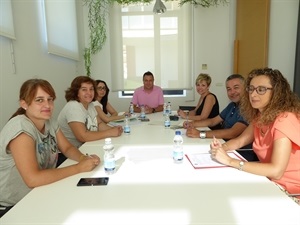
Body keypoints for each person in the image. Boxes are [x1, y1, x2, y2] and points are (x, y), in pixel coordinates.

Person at [0, 79, 100, 217]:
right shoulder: (21, 128)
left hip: (40, 192)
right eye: (39, 100)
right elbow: (32, 179)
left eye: (50, 99)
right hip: (14, 206)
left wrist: (83, 158)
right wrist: (79, 167)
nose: (47, 105)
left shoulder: (49, 121)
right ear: (24, 104)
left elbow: (67, 148)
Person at [210, 68, 300, 202]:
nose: (253, 94)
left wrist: (229, 161)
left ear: (276, 92)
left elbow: (276, 171)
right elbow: (239, 141)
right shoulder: (261, 116)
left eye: (261, 89)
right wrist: (221, 148)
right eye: (251, 89)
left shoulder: (284, 119)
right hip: (268, 181)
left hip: (289, 191)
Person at [184, 74, 258, 161]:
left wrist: (200, 134)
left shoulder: (248, 109)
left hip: (239, 154)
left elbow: (232, 133)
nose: (232, 92)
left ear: (245, 88)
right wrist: (192, 124)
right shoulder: (232, 105)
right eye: (229, 89)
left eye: (236, 87)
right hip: (223, 146)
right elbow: (213, 121)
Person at [58, 76, 123, 149]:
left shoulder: (90, 104)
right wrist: (110, 132)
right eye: (84, 89)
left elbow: (99, 124)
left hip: (86, 146)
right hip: (70, 153)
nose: (89, 93)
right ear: (76, 92)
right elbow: (83, 136)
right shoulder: (73, 107)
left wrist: (113, 129)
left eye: (91, 89)